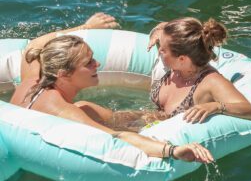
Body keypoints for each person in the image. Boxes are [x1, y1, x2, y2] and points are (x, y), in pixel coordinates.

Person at [10, 34, 214, 163]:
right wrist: (172, 150)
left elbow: (33, 47)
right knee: (100, 118)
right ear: (64, 74)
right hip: (43, 156)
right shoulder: (62, 111)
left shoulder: (31, 82)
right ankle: (166, 117)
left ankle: (163, 115)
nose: (97, 64)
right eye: (88, 63)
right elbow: (115, 137)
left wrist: (88, 26)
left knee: (88, 107)